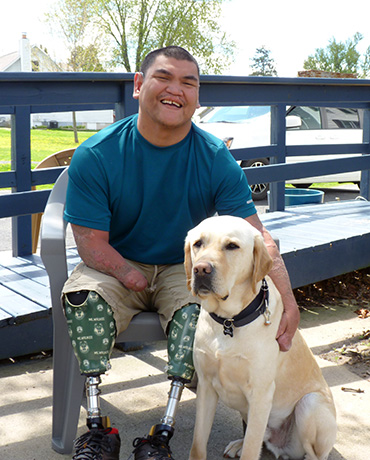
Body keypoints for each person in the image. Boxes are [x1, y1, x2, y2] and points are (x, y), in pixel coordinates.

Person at [62, 45, 300, 460]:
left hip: (185, 265)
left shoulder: (214, 157)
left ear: (197, 96)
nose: (176, 90)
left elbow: (257, 237)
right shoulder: (97, 154)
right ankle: (98, 430)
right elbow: (90, 242)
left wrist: (289, 302)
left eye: (188, 83)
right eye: (164, 77)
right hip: (115, 262)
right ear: (138, 85)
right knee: (84, 301)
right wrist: (132, 277)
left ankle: (163, 433)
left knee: (196, 315)